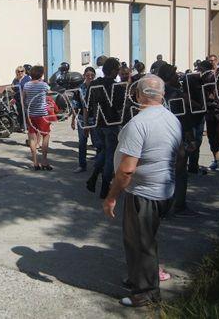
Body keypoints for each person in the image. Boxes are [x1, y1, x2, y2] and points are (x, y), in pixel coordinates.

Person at [102, 74, 182, 307]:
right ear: (162, 95)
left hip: (144, 194)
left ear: (138, 95)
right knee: (140, 239)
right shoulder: (171, 119)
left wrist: (111, 197)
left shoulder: (139, 124)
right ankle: (137, 277)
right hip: (164, 189)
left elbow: (127, 169)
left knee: (141, 242)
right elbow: (179, 154)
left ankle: (146, 293)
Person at [157, 63, 199, 217]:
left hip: (159, 136)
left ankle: (160, 206)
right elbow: (183, 119)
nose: (177, 77)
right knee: (180, 173)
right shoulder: (176, 94)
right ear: (169, 76)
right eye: (175, 75)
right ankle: (178, 206)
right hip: (175, 138)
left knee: (162, 172)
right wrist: (191, 139)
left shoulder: (155, 92)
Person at [85, 57, 126, 198]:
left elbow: (88, 104)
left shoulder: (94, 84)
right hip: (111, 124)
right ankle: (104, 185)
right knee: (110, 155)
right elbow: (120, 107)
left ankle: (94, 176)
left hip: (98, 123)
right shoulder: (116, 87)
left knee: (103, 151)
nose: (118, 72)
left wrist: (88, 122)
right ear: (113, 70)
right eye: (117, 70)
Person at [24, 65, 53, 171]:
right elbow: (50, 94)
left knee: (32, 137)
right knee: (46, 135)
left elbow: (23, 99)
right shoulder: (43, 85)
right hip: (42, 115)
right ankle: (44, 161)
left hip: (31, 114)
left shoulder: (26, 85)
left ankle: (35, 162)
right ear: (41, 74)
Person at [71, 67, 97, 172]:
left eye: (92, 75)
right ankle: (82, 165)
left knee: (97, 142)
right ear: (84, 76)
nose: (90, 77)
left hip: (95, 118)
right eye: (88, 75)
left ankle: (99, 164)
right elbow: (75, 105)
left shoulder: (97, 87)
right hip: (82, 118)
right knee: (82, 142)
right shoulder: (79, 89)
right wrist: (73, 120)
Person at [12, 65, 31, 130]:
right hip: (18, 98)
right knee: (20, 112)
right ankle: (22, 126)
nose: (20, 72)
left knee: (26, 112)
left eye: (21, 71)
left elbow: (30, 87)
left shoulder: (27, 78)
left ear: (24, 71)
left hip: (26, 98)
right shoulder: (15, 80)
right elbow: (13, 88)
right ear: (16, 72)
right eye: (18, 71)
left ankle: (28, 126)